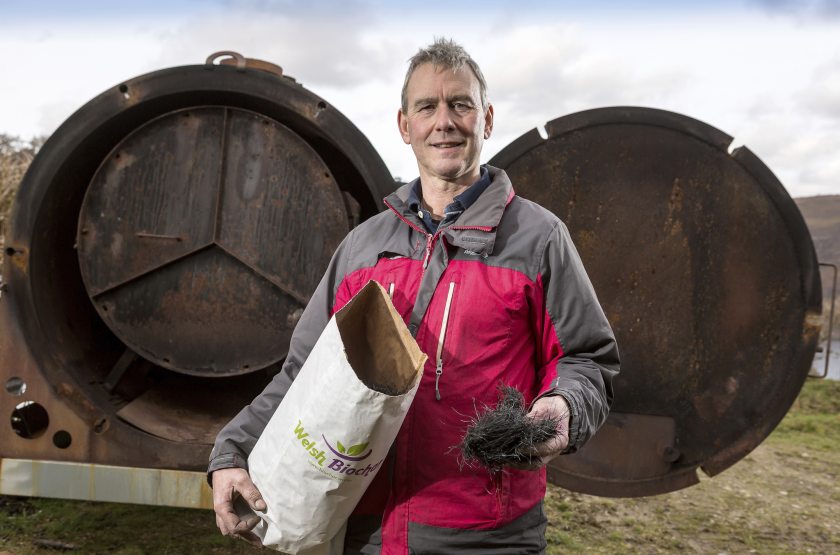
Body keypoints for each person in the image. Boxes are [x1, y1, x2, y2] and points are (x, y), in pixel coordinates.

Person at [209, 38, 619, 554]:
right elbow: (302, 376)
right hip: (366, 529)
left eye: (460, 104)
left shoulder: (538, 240)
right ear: (405, 126)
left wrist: (563, 407)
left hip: (485, 536)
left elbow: (588, 359)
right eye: (427, 106)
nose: (443, 121)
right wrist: (232, 449)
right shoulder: (364, 249)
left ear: (486, 120)